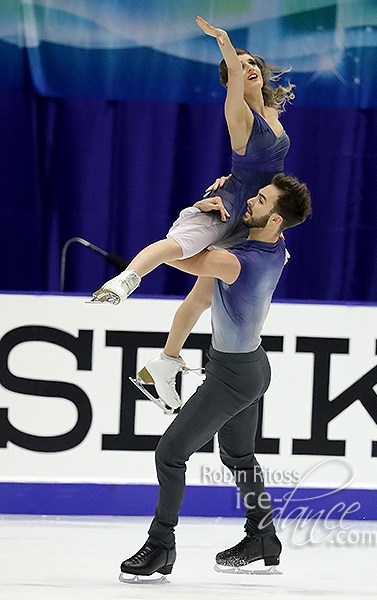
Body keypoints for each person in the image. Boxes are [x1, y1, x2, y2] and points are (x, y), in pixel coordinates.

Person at [91, 16, 294, 409]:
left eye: (253, 62)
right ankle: (126, 280)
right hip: (234, 205)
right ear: (230, 80)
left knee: (202, 297)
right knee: (181, 246)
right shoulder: (238, 111)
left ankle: (164, 363)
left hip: (255, 211)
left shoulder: (270, 110)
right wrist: (224, 42)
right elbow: (235, 83)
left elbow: (263, 170)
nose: (249, 67)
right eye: (240, 64)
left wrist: (272, 217)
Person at [118, 173, 312, 582]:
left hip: (232, 376)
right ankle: (263, 536)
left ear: (275, 219)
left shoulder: (235, 261)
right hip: (252, 367)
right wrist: (224, 196)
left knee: (170, 454)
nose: (250, 203)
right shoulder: (276, 248)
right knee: (238, 457)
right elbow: (212, 267)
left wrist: (194, 213)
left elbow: (173, 255)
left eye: (260, 201)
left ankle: (161, 545)